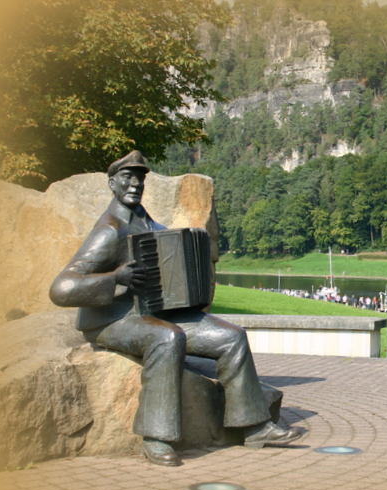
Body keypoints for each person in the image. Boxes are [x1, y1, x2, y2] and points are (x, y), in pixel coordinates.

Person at [49, 150, 302, 466]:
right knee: (167, 338)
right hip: (113, 319)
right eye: (127, 178)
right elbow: (62, 288)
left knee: (232, 337)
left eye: (140, 178)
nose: (135, 184)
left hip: (152, 312)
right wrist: (115, 279)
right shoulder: (109, 230)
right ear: (112, 183)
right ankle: (156, 437)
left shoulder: (149, 222)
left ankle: (254, 427)